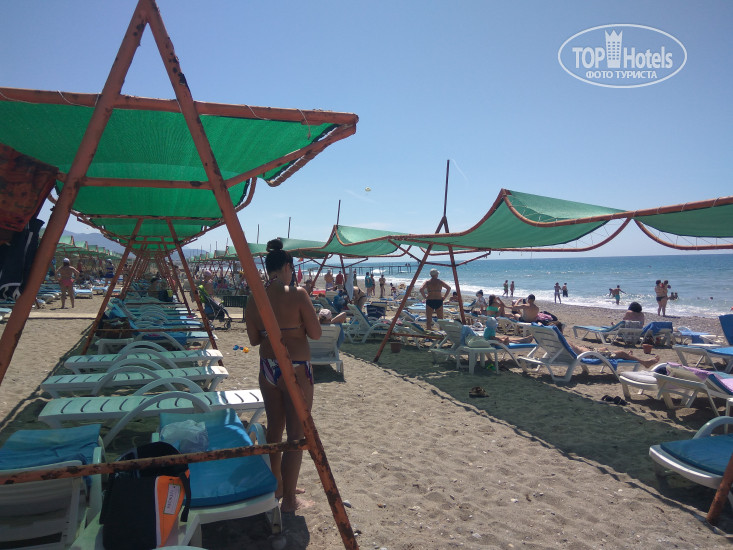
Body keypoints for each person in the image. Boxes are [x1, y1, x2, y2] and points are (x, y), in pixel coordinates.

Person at [245, 238, 321, 513]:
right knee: (296, 433)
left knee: (275, 427)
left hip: (267, 366)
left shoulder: (254, 297)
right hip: (296, 367)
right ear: (288, 267)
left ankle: (278, 485)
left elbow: (254, 339)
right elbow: (316, 334)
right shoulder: (298, 294)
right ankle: (289, 499)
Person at [568, 341, 660, 369]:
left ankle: (629, 357)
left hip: (591, 352)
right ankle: (645, 363)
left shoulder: (563, 342)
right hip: (592, 355)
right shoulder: (565, 342)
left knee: (605, 349)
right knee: (621, 353)